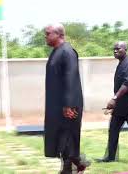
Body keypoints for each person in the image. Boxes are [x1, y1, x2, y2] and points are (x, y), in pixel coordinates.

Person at [44, 23, 87, 174]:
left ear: (59, 35)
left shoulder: (67, 52)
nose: (46, 36)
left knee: (68, 139)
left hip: (69, 106)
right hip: (58, 106)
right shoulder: (56, 52)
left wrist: (69, 105)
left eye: (48, 33)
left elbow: (71, 79)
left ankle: (69, 169)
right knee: (61, 138)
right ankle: (78, 164)